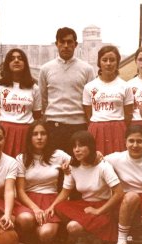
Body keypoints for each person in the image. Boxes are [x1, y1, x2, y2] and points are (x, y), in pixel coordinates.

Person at [47, 130, 124, 244]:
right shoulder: (72, 167)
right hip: (84, 206)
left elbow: (119, 193)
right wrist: (51, 206)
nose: (76, 149)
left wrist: (99, 211)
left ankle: (92, 237)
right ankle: (86, 238)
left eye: (81, 145)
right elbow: (65, 192)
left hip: (103, 208)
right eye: (74, 146)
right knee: (59, 206)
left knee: (72, 227)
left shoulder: (103, 166)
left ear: (91, 146)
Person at [14, 120, 71, 244]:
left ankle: (39, 240)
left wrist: (97, 155)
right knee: (25, 219)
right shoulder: (22, 158)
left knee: (46, 234)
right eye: (35, 134)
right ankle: (28, 241)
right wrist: (35, 209)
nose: (39, 137)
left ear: (48, 136)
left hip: (51, 200)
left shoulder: (59, 155)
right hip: (28, 200)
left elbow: (81, 160)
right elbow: (20, 191)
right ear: (30, 138)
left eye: (43, 134)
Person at [39, 27, 95, 155]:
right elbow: (43, 99)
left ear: (75, 45)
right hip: (54, 126)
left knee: (78, 164)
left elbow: (91, 99)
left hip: (79, 126)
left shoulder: (87, 69)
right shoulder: (46, 69)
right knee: (55, 166)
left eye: (70, 42)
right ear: (56, 44)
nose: (66, 46)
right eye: (62, 42)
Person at [0, 48, 41, 157]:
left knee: (24, 166)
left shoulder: (34, 88)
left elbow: (37, 117)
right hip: (5, 132)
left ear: (25, 64)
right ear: (7, 64)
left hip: (26, 132)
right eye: (12, 59)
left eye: (20, 58)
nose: (16, 61)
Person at [83, 45, 134, 155]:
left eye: (112, 60)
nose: (108, 63)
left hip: (118, 129)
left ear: (117, 62)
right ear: (99, 62)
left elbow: (128, 114)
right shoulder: (89, 87)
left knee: (119, 164)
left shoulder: (125, 86)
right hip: (96, 128)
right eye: (104, 60)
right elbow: (88, 114)